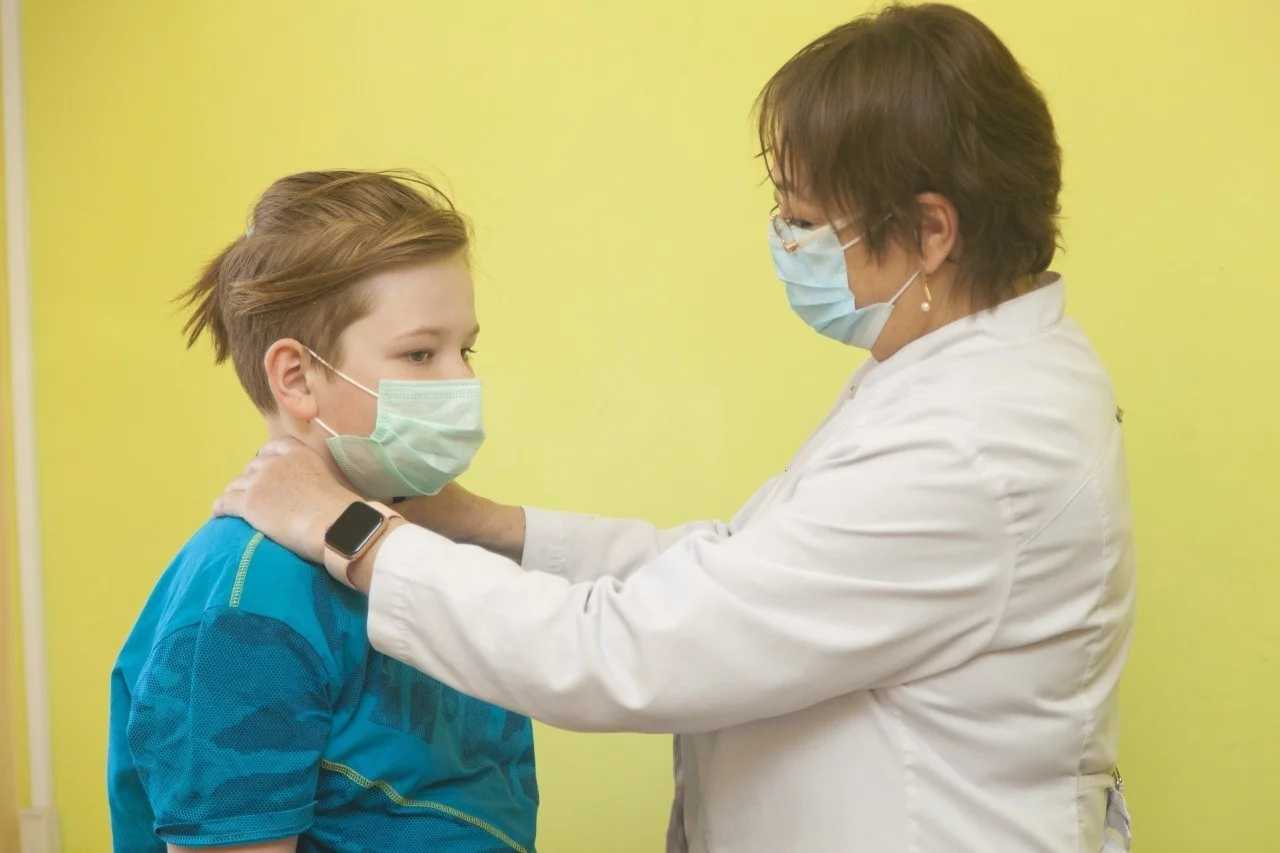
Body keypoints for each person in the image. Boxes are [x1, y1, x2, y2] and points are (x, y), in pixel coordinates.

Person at [216, 6, 1135, 852]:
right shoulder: (951, 376)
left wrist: (353, 530)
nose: (787, 240)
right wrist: (490, 525)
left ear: (932, 232)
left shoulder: (974, 445)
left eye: (807, 221)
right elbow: (743, 568)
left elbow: (634, 649)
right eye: (420, 354)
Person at [108, 170, 539, 853]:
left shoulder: (421, 550)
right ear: (297, 377)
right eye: (420, 353)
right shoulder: (247, 603)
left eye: (466, 349)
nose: (463, 380)